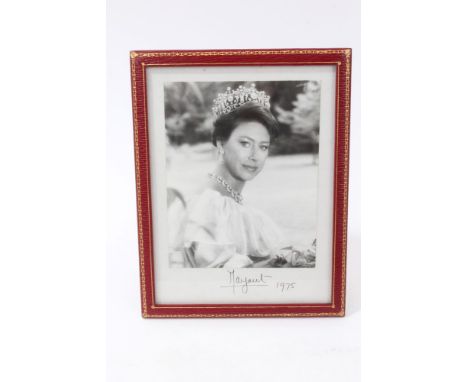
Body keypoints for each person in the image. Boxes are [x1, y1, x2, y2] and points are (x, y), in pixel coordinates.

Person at [170, 84, 307, 268]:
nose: (254, 156)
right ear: (220, 144)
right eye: (245, 143)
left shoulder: (242, 210)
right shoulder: (206, 206)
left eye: (263, 146)